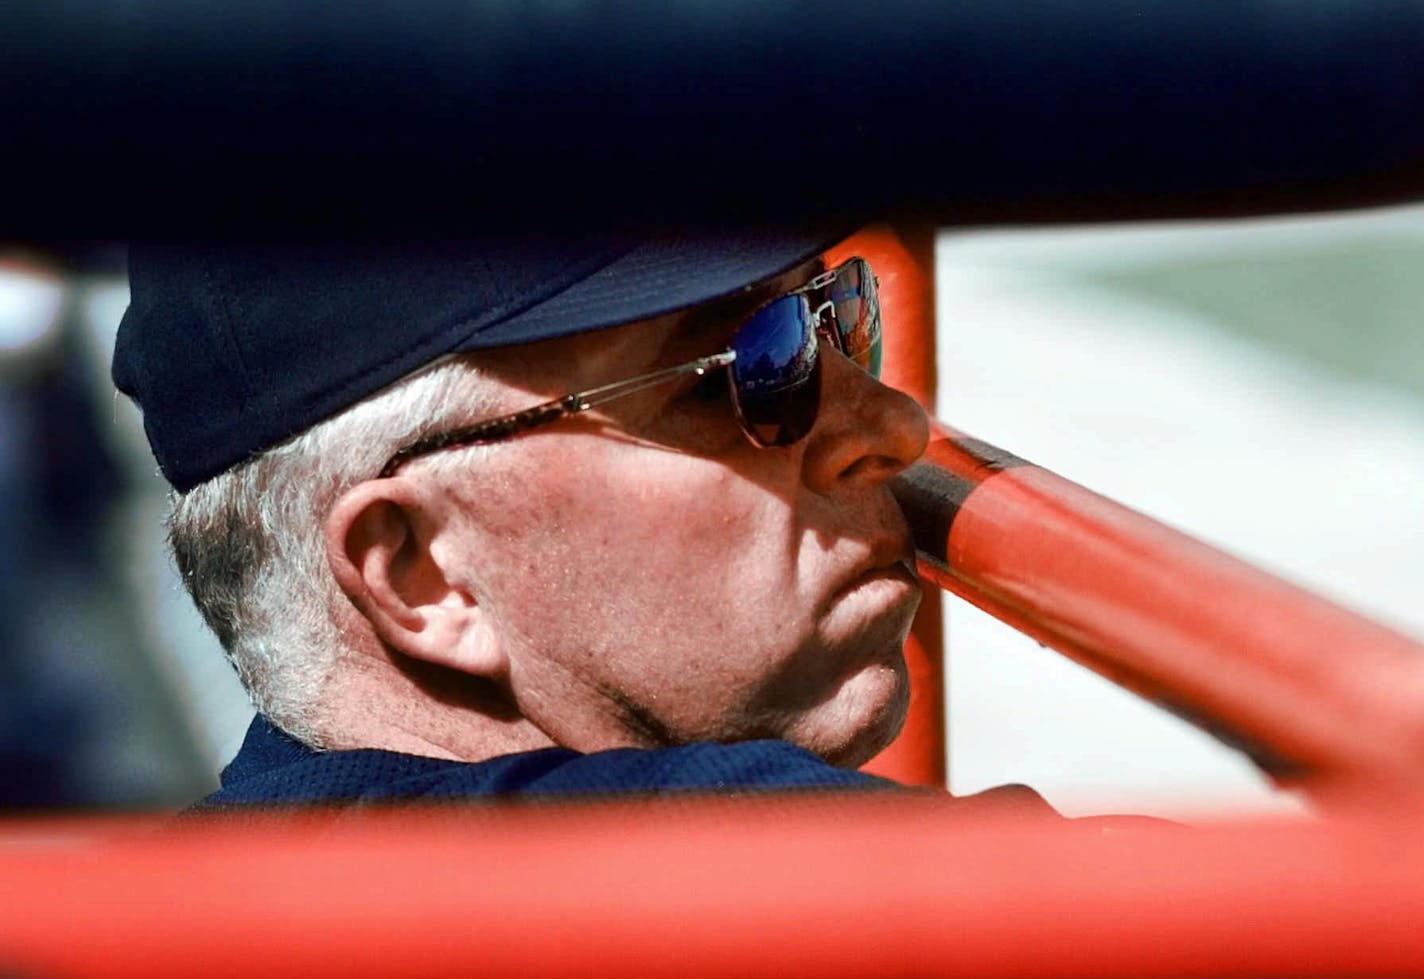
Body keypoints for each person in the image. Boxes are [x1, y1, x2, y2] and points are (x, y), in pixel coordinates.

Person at [113, 229, 1053, 811]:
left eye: (836, 312)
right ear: (420, 573)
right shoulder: (738, 899)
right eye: (750, 368)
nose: (893, 426)